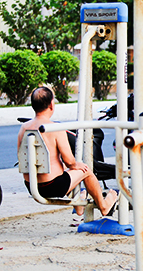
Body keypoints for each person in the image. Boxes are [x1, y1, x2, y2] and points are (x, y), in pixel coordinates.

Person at [17, 86, 118, 217]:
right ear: (51, 105)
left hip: (31, 186)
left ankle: (79, 203)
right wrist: (77, 165)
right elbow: (70, 161)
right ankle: (104, 207)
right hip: (52, 187)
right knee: (85, 170)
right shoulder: (55, 128)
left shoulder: (23, 128)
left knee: (64, 169)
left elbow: (21, 157)